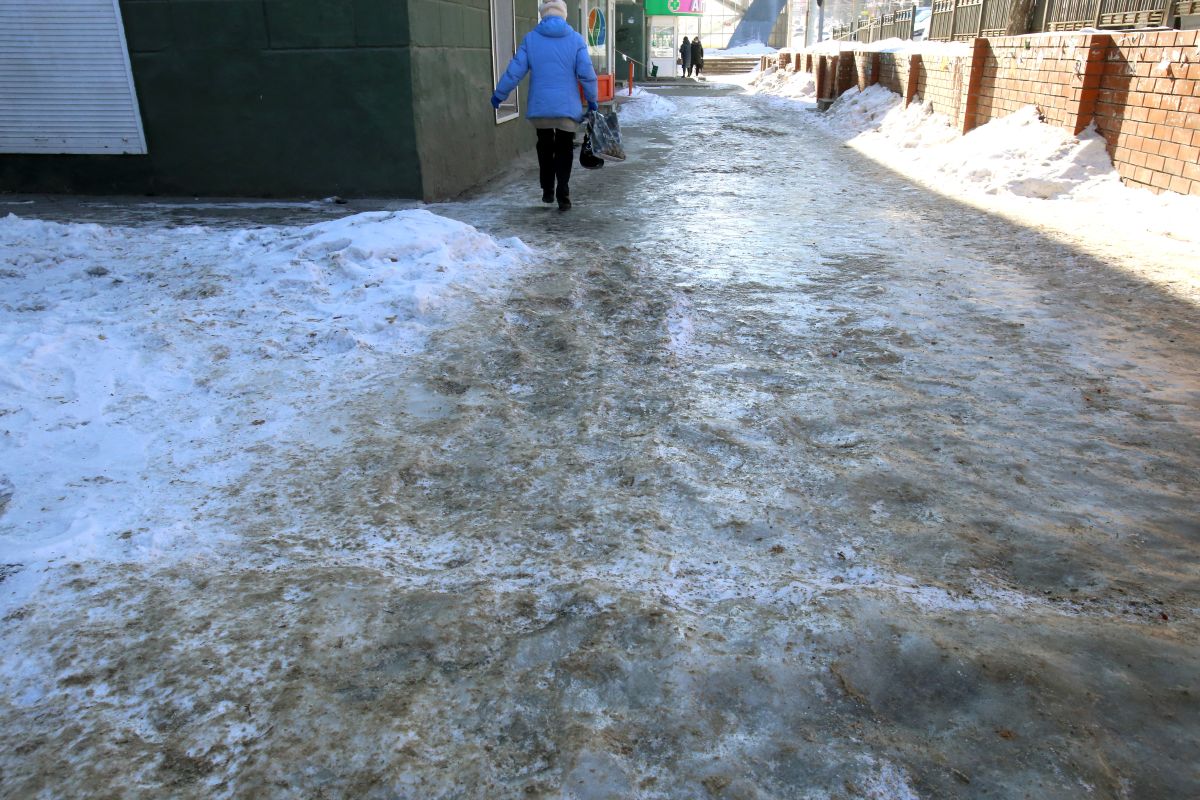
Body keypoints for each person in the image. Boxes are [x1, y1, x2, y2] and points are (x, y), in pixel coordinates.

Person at [491, 0, 599, 211]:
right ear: (564, 15)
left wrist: (500, 94)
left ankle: (548, 189)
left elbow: (515, 71)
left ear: (543, 15)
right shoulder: (576, 40)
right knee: (565, 149)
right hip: (567, 109)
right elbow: (586, 73)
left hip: (540, 107)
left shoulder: (531, 39)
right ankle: (563, 193)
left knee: (545, 145)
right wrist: (592, 100)